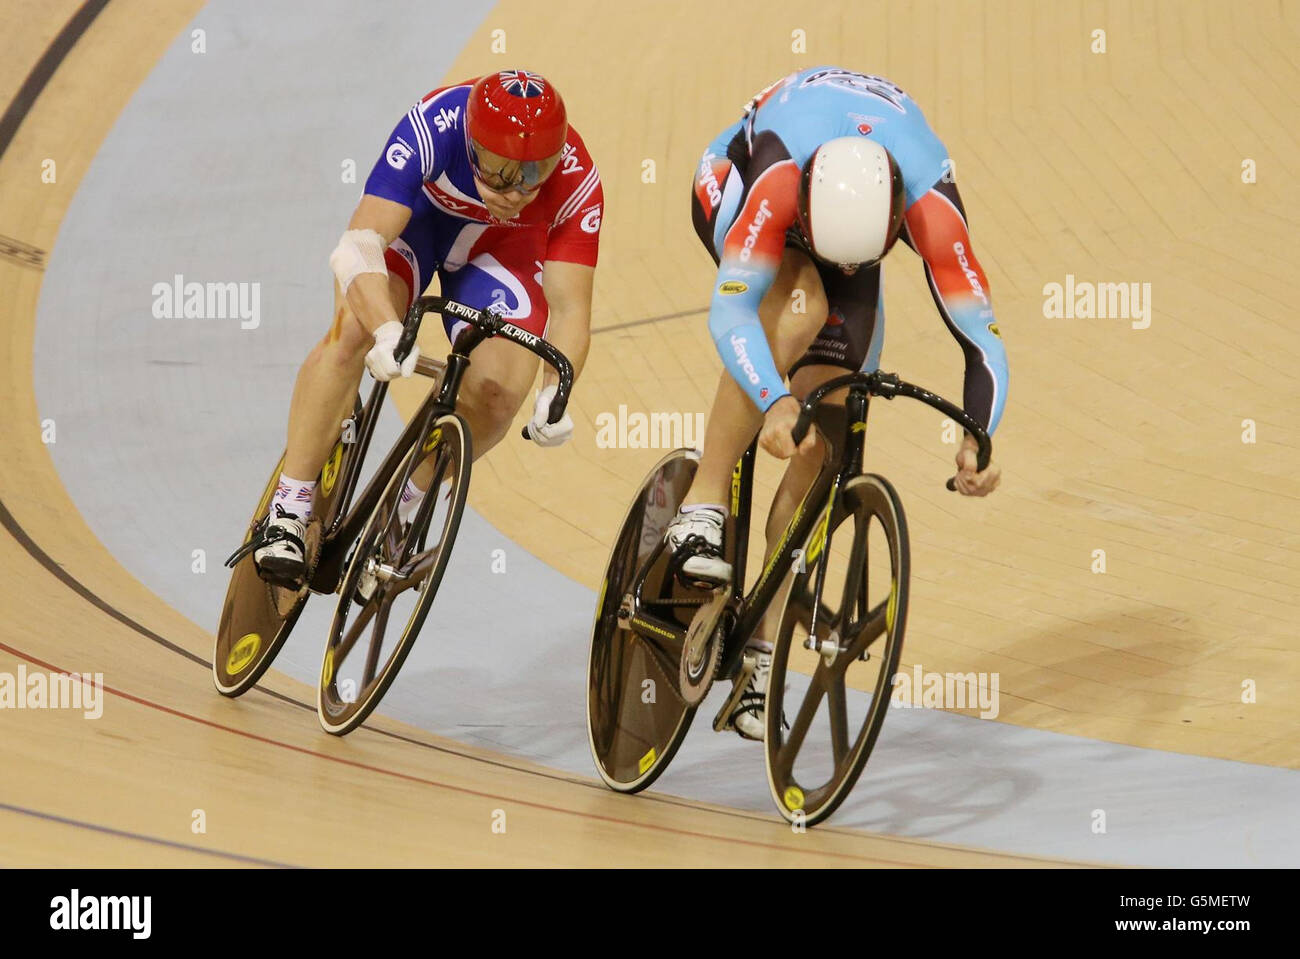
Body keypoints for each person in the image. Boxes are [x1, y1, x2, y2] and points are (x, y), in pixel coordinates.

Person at [671, 67, 1007, 739]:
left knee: (831, 423)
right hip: (737, 181)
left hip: (846, 218)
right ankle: (701, 504)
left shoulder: (931, 199)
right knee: (798, 312)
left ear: (897, 222)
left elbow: (983, 339)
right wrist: (770, 401)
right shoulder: (774, 176)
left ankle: (761, 660)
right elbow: (730, 316)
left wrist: (980, 434)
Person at [253, 69, 604, 584]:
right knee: (354, 329)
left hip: (502, 254)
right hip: (416, 228)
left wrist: (558, 389)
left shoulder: (577, 180)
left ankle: (407, 504)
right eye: (503, 172)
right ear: (472, 142)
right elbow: (358, 245)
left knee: (498, 394)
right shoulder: (435, 126)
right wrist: (389, 329)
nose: (518, 191)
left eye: (534, 174)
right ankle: (290, 505)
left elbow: (571, 309)